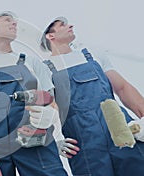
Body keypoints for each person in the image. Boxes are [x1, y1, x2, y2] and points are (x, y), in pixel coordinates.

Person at [0, 12, 68, 176]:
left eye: (15, 22)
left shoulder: (32, 62)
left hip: (31, 137)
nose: (14, 24)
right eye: (7, 21)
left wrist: (51, 116)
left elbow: (50, 101)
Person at [40, 16, 144, 176]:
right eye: (62, 25)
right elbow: (46, 108)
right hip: (84, 142)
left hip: (121, 129)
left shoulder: (93, 54)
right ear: (50, 35)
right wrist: (54, 139)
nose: (71, 25)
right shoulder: (44, 69)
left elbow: (123, 88)